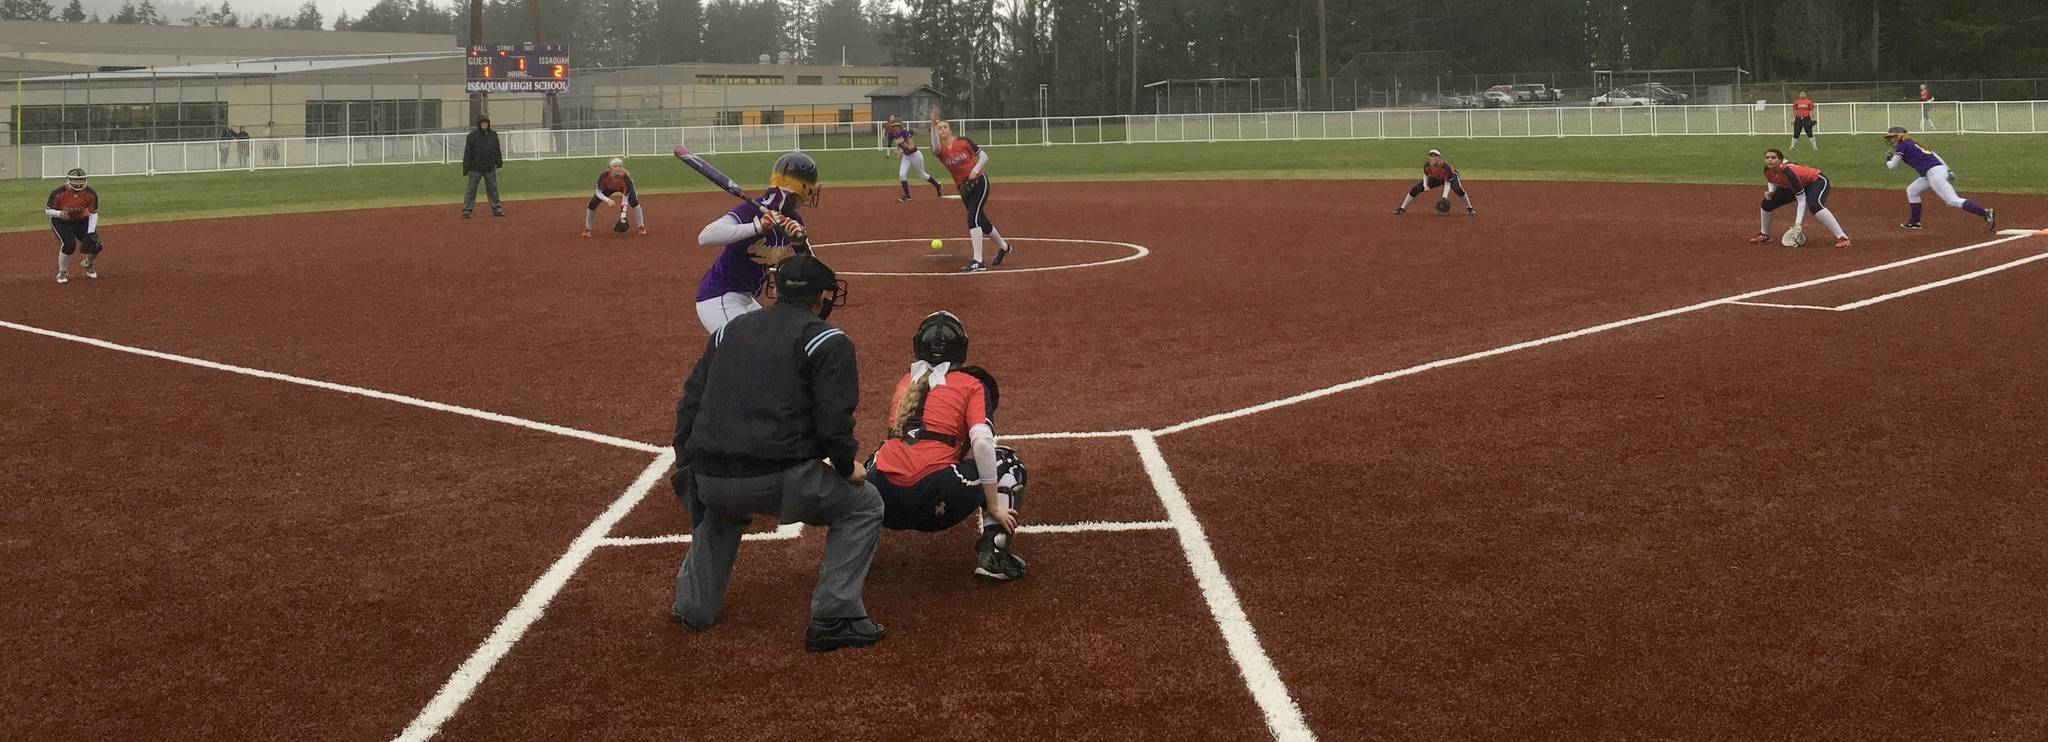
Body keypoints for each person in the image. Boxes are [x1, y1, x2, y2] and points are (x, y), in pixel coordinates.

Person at [669, 253, 886, 653]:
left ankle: (692, 609)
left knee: (721, 512)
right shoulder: (827, 340)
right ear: (823, 297)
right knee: (865, 504)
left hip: (711, 480)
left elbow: (689, 405)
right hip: (780, 480)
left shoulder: (726, 332)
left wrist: (689, 466)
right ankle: (835, 616)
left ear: (776, 289)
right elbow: (833, 422)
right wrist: (845, 466)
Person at [867, 311, 1030, 581]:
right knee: (1008, 462)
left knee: (878, 456)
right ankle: (994, 554)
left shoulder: (906, 382)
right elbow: (981, 443)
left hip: (882, 501)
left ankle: (856, 551)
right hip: (935, 497)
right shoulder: (971, 384)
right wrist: (993, 505)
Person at [692, 152, 818, 333]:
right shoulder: (751, 210)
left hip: (746, 298)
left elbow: (811, 269)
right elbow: (705, 237)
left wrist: (799, 243)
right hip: (720, 296)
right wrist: (757, 227)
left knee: (774, 342)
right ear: (801, 188)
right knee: (747, 350)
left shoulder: (794, 221)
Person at [929, 108, 1013, 272]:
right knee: (981, 220)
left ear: (950, 130)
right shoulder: (940, 151)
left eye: (945, 127)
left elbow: (984, 156)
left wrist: (975, 170)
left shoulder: (963, 142)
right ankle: (1004, 247)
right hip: (964, 188)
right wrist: (932, 124)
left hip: (980, 182)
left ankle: (978, 261)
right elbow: (935, 145)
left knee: (972, 219)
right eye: (939, 128)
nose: (942, 130)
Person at [1884, 126, 1994, 232]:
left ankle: (1985, 212)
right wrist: (1948, 170)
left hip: (1933, 173)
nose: (1891, 140)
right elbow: (1935, 155)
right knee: (1912, 190)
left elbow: (1892, 166)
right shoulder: (1913, 143)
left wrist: (1888, 159)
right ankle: (1915, 222)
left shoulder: (1902, 145)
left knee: (1952, 200)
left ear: (1900, 136)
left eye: (1893, 137)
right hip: (1934, 171)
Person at [1748, 149, 1850, 249]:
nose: (1769, 160)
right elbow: (1772, 180)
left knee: (1815, 206)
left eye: (1773, 158)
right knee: (1767, 203)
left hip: (1816, 181)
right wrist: (1771, 191)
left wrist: (1798, 224)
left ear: (1780, 160)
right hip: (1795, 185)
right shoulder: (1767, 169)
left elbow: (1801, 200)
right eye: (1767, 158)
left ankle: (1843, 238)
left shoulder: (1789, 173)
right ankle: (1764, 235)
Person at [43, 167, 104, 284]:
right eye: (75, 180)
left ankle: (88, 264)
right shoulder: (58, 193)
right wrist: (59, 214)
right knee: (69, 244)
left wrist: (90, 231)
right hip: (61, 220)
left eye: (81, 180)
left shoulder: (90, 193)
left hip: (81, 220)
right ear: (69, 180)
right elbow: (48, 210)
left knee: (95, 244)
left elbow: (93, 213)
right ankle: (62, 272)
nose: (78, 183)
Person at [1392, 148, 1475, 215]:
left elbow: (1447, 182)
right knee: (1416, 188)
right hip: (1437, 178)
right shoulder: (1427, 165)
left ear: (1439, 157)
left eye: (1435, 156)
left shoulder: (1445, 167)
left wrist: (1444, 197)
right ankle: (1402, 208)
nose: (1433, 157)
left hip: (1452, 176)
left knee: (1458, 190)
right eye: (1431, 155)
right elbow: (1426, 174)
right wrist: (1425, 185)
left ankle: (1469, 208)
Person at [884, 115, 943, 202]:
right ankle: (907, 196)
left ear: (900, 126)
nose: (894, 128)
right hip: (906, 156)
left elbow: (911, 146)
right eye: (893, 126)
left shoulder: (905, 132)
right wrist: (898, 151)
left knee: (921, 174)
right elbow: (899, 145)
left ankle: (937, 185)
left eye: (896, 126)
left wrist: (900, 151)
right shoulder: (894, 134)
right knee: (902, 175)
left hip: (915, 155)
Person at [584, 157, 646, 237]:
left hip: (622, 187)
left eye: (620, 166)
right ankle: (588, 229)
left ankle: (641, 226)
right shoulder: (603, 176)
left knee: (634, 202)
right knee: (592, 204)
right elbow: (598, 192)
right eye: (615, 166)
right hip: (608, 188)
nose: (618, 168)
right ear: (610, 168)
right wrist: (607, 200)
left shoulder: (626, 179)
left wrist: (623, 216)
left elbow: (625, 198)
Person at [461, 116, 505, 219]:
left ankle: (497, 208)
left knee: (493, 189)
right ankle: (467, 210)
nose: (484, 124)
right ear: (479, 124)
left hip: (489, 167)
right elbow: (467, 153)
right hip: (475, 168)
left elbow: (497, 150)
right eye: (482, 123)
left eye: (486, 123)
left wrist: (499, 164)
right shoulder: (472, 136)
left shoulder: (493, 135)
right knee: (471, 189)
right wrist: (466, 167)